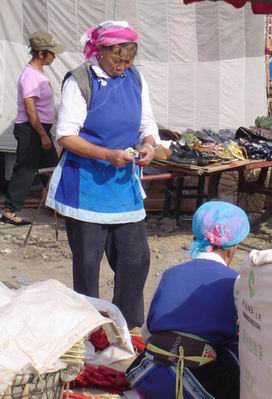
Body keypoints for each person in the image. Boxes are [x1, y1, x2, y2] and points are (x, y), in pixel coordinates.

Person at [46, 21, 160, 329]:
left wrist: (148, 144)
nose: (123, 66)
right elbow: (66, 135)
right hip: (86, 186)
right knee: (87, 264)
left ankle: (125, 324)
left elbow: (147, 124)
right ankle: (87, 329)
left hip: (123, 187)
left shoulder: (135, 77)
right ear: (100, 51)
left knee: (135, 259)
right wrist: (108, 155)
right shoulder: (80, 80)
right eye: (117, 60)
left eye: (128, 60)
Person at [126, 201, 250, 399]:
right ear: (232, 248)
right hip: (197, 384)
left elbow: (147, 333)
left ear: (196, 236)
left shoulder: (170, 274)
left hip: (148, 375)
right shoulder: (235, 282)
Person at [0, 31, 64, 226]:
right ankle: (10, 212)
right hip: (31, 128)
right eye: (52, 53)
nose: (55, 56)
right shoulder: (30, 76)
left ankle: (60, 206)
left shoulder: (38, 74)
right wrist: (43, 135)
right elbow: (30, 109)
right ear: (41, 53)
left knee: (53, 167)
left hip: (38, 128)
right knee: (26, 169)